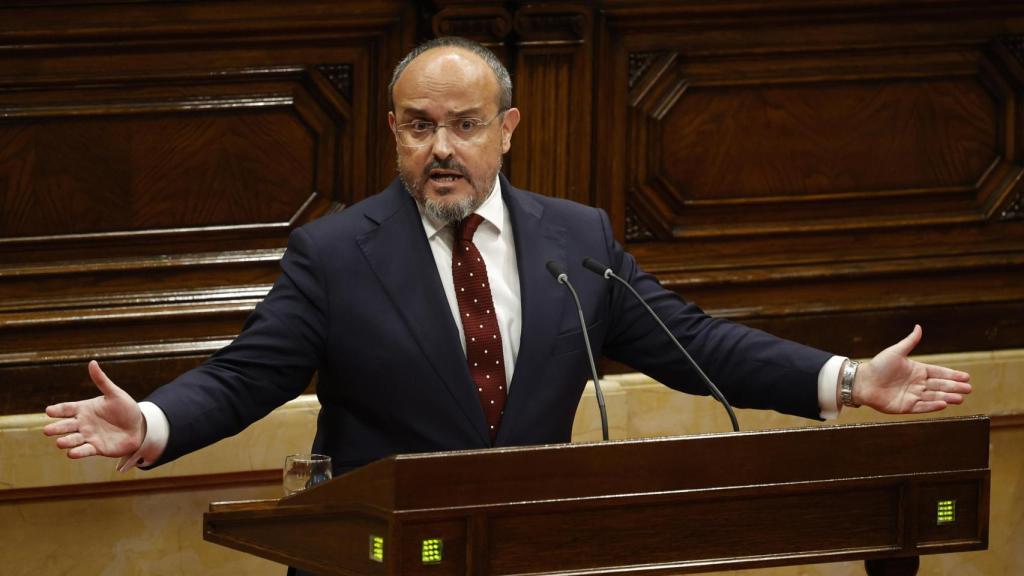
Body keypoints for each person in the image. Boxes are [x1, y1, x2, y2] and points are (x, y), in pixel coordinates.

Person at [44, 37, 971, 476]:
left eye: (464, 124)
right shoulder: (333, 253)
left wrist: (848, 380)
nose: (440, 147)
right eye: (418, 126)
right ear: (394, 133)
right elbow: (246, 377)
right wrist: (155, 424)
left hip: (530, 551)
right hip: (381, 556)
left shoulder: (579, 239)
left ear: (508, 130)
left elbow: (697, 347)